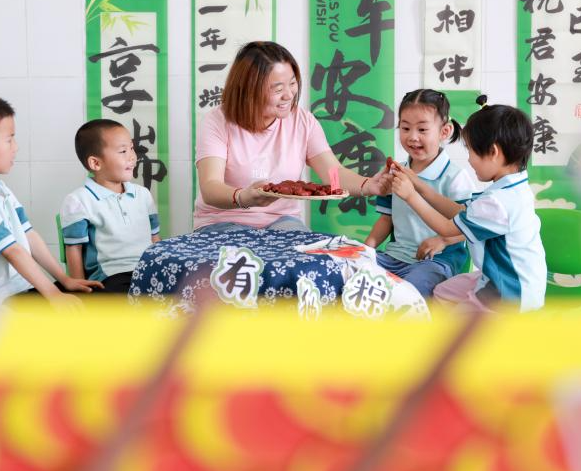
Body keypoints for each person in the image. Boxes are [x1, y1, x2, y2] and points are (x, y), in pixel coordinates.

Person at [193, 41, 393, 232]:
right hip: (222, 221)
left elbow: (333, 175)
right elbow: (210, 186)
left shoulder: (303, 121)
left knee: (304, 254)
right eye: (278, 89)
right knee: (238, 256)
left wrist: (369, 185)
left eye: (292, 83)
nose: (289, 95)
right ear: (248, 90)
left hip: (282, 221)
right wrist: (243, 197)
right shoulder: (216, 122)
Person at [0, 93, 101, 309]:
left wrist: (65, 280)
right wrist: (54, 295)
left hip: (19, 290)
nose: (15, 147)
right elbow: (13, 252)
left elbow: (29, 235)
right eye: (9, 140)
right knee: (81, 314)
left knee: (93, 300)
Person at [389, 96, 547, 312]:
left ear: (493, 152)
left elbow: (447, 228)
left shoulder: (498, 202)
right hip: (514, 279)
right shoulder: (512, 189)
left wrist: (411, 196)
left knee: (454, 320)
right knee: (442, 292)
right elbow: (463, 211)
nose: (470, 160)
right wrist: (419, 185)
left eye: (471, 152)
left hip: (509, 293)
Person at [363, 89, 473, 297]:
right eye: (405, 128)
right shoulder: (396, 171)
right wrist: (365, 250)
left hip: (437, 261)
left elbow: (471, 227)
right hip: (393, 257)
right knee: (354, 274)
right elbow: (386, 219)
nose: (412, 137)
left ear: (444, 131)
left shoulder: (455, 177)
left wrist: (442, 240)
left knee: (409, 291)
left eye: (422, 129)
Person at [59, 119, 161, 294]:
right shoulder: (78, 201)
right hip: (112, 276)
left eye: (131, 148)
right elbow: (74, 249)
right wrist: (80, 290)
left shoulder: (143, 194)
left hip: (150, 270)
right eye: (123, 151)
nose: (132, 156)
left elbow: (155, 238)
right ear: (96, 163)